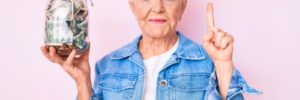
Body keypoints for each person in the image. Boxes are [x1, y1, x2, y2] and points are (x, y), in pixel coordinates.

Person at [41, 0, 260, 100]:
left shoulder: (209, 61)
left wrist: (222, 66)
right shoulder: (107, 66)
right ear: (131, 4)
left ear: (184, 5)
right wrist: (82, 81)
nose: (158, 7)